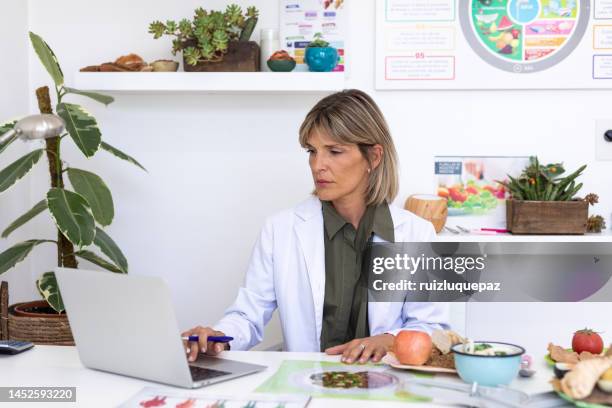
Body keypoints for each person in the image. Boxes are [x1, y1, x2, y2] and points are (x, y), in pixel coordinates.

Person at [183, 89, 449, 364]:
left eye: (334, 151)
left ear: (374, 157)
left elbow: (433, 329)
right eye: (312, 151)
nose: (317, 165)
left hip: (384, 385)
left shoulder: (418, 234)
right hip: (304, 386)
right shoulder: (280, 229)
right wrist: (218, 338)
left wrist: (388, 341)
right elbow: (247, 315)